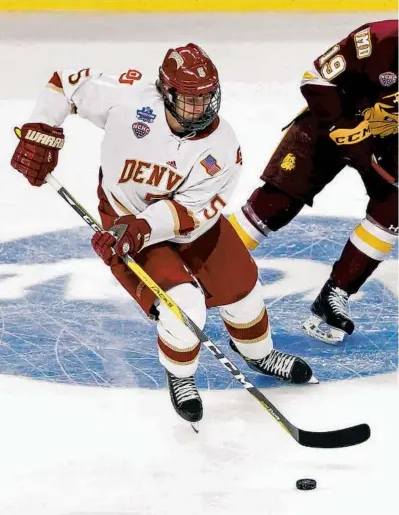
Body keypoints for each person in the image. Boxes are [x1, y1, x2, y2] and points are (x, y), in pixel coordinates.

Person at [10, 43, 312, 426]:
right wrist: (42, 130)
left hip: (189, 228)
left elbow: (191, 212)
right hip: (123, 219)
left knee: (244, 288)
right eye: (189, 100)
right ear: (166, 92)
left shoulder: (224, 147)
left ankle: (258, 353)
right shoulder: (129, 100)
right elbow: (66, 83)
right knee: (183, 307)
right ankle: (182, 377)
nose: (200, 108)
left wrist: (143, 229)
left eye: (206, 97)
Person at [230, 20, 398, 344]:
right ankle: (203, 274)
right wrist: (341, 126)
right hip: (329, 125)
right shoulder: (375, 40)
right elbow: (315, 78)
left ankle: (335, 295)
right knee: (275, 204)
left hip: (388, 143)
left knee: (393, 208)